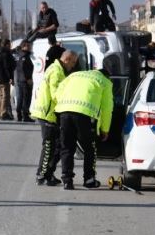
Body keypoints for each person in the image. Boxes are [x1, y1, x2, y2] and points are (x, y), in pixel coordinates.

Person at [55, 69, 113, 190]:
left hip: (64, 112)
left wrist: (64, 104)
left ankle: (67, 180)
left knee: (67, 147)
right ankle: (89, 179)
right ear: (107, 76)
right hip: (84, 115)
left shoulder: (74, 74)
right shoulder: (105, 82)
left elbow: (58, 92)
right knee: (89, 148)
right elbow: (107, 108)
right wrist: (105, 129)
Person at [30, 50, 78, 186]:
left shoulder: (57, 68)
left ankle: (48, 173)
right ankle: (41, 174)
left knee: (57, 145)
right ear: (67, 59)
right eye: (73, 62)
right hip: (48, 113)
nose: (73, 66)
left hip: (51, 113)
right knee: (49, 145)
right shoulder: (57, 72)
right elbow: (56, 94)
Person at [0, 38, 15, 120]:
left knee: (0, 95)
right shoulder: (5, 53)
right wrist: (10, 77)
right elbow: (6, 67)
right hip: (4, 77)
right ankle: (3, 113)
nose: (10, 46)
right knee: (5, 96)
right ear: (6, 45)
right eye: (9, 45)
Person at [14, 41, 34, 122]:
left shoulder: (19, 55)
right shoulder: (24, 56)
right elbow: (23, 68)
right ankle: (25, 115)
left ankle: (19, 114)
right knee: (26, 98)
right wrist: (28, 78)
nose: (30, 47)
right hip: (24, 80)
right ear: (24, 46)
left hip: (20, 79)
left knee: (20, 98)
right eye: (29, 46)